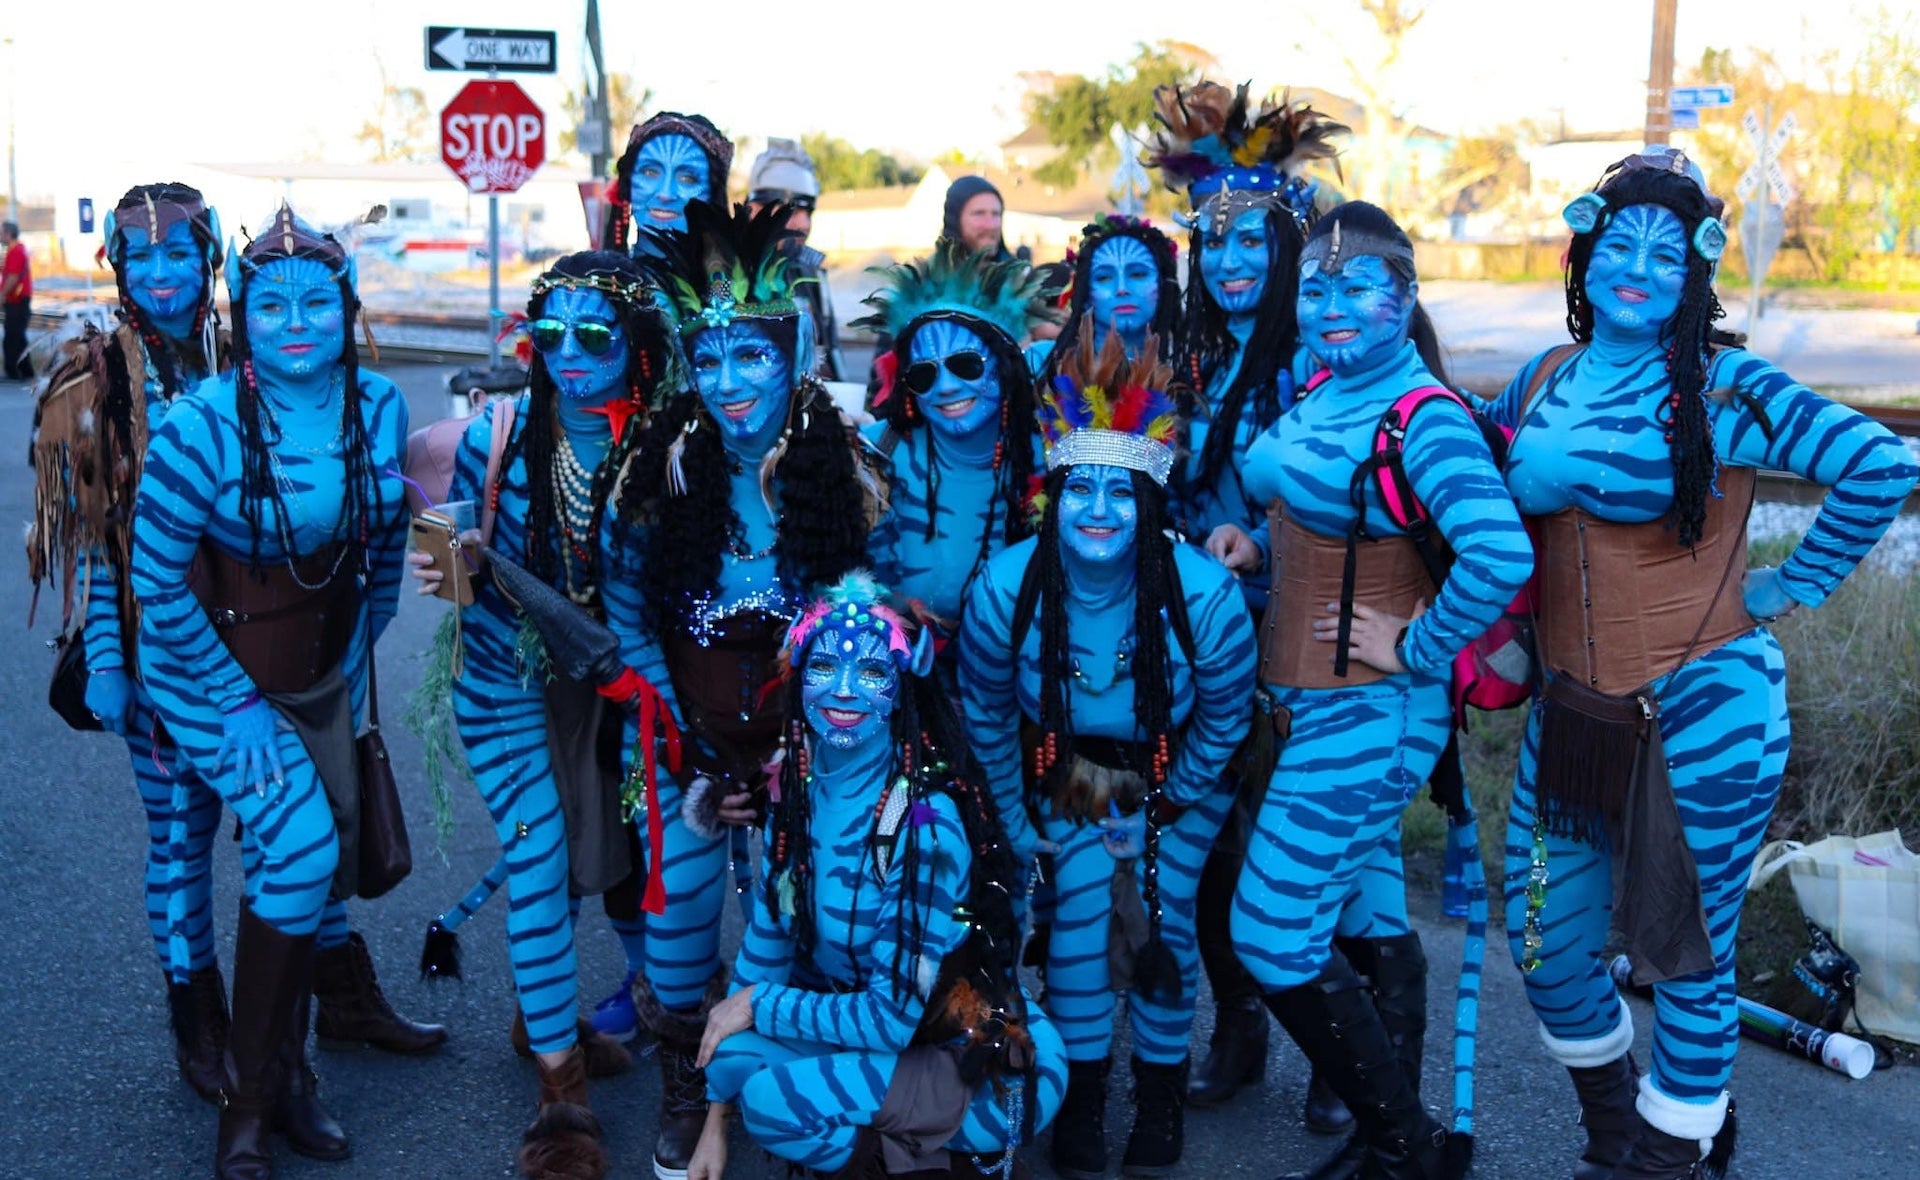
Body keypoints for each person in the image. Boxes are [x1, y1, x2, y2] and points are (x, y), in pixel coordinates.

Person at [1489, 148, 1917, 1180]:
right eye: (1618, 246)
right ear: (1583, 253)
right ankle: (1620, 1120)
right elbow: (1495, 519)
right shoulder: (1541, 378)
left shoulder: (1724, 384)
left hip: (1708, 703)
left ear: (1695, 276)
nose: (1636, 269)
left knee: (1686, 950)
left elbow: (1880, 463)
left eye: (1666, 256)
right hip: (1572, 709)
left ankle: (1663, 1150)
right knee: (1545, 945)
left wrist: (1790, 583)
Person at [27, 185, 439, 1112]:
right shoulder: (97, 375)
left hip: (283, 640)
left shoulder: (255, 342)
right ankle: (200, 1020)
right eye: (144, 261)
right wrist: (107, 657)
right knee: (183, 834)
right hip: (159, 641)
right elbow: (103, 539)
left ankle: (335, 995)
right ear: (120, 270)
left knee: (295, 824)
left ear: (210, 263)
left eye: (182, 257)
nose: (164, 277)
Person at [1209, 200, 1532, 1180]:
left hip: (1371, 710)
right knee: (1370, 915)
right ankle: (1390, 1143)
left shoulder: (1422, 416)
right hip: (1302, 700)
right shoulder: (1323, 390)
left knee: (1267, 927)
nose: (1332, 306)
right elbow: (1333, 509)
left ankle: (1404, 1140)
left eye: (1356, 289)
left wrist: (1417, 645)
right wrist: (1257, 543)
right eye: (1316, 289)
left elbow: (1497, 549)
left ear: (1404, 300)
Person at [609, 198, 893, 1180]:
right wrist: (682, 745)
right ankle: (686, 1086)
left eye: (754, 358)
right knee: (680, 917)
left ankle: (795, 1085)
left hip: (810, 752)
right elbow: (622, 610)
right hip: (680, 746)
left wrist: (800, 757)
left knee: (796, 916)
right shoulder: (659, 470)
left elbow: (868, 621)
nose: (731, 385)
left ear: (795, 358)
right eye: (712, 359)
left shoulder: (843, 475)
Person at [130, 204, 412, 1179]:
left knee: (300, 863)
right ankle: (246, 1112)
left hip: (316, 675)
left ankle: (290, 1079)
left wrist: (349, 661)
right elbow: (154, 581)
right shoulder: (198, 425)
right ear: (242, 314)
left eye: (317, 302)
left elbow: (375, 558)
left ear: (347, 307)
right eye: (272, 303)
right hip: (210, 675)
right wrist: (236, 703)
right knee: (297, 845)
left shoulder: (378, 407)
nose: (296, 321)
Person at [958, 331, 1257, 1180]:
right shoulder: (1007, 587)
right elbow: (984, 713)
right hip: (1060, 776)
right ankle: (1083, 1096)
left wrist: (1161, 810)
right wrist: (1018, 825)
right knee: (1077, 933)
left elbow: (1228, 717)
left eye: (1119, 493)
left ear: (1151, 504)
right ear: (1052, 496)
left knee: (1164, 927)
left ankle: (1159, 1098)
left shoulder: (1203, 595)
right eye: (1078, 489)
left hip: (1176, 778)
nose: (1097, 510)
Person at [408, 250, 680, 1180]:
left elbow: (667, 595)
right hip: (503, 679)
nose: (569, 351)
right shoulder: (497, 432)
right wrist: (457, 558)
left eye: (595, 333)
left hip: (617, 685)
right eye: (551, 331)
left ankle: (573, 1013)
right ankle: (561, 1094)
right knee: (538, 855)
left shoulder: (669, 443)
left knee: (628, 858)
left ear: (635, 343)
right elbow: (442, 574)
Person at [683, 573, 1067, 1179]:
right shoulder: (798, 794)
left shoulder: (924, 826)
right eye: (825, 666)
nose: (842, 689)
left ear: (898, 691)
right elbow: (766, 944)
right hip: (876, 1038)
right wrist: (712, 1118)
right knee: (729, 1055)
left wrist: (760, 1004)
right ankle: (895, 1142)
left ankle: (947, 1165)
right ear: (796, 672)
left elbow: (891, 1020)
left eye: (869, 672)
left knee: (770, 1102)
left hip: (970, 1064)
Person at [1145, 79, 1352, 1120]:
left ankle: (1339, 1054)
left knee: (1306, 854)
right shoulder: (1183, 356)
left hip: (1303, 643)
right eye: (1211, 246)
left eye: (1251, 246)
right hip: (1197, 643)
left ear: (1291, 253)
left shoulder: (1322, 358)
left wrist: (1259, 541)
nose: (1228, 265)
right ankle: (1239, 1031)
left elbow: (1357, 494)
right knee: (1213, 851)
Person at [851, 244, 1052, 678]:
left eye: (965, 365)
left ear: (1005, 366)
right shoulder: (873, 453)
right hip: (896, 676)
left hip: (1016, 679)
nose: (944, 387)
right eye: (923, 373)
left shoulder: (1051, 460)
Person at [1025, 213, 1182, 380]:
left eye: (1137, 274)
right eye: (1104, 277)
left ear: (1163, 286)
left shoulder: (1191, 368)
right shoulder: (1039, 363)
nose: (1122, 289)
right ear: (1085, 294)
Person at [747, 137, 843, 381]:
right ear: (756, 208)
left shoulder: (811, 271)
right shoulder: (729, 274)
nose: (804, 224)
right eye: (792, 210)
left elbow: (830, 354)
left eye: (808, 211)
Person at [603, 111, 734, 262]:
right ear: (628, 184)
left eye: (687, 178)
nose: (665, 194)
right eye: (650, 172)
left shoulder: (745, 284)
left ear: (713, 194)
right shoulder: (583, 283)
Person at [2, 218, 31, 380]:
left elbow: (12, 278)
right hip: (17, 300)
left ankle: (13, 371)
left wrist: (1, 296)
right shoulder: (17, 250)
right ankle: (26, 370)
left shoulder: (16, 252)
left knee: (12, 338)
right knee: (18, 337)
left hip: (17, 301)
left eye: (1, 233)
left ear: (8, 234)